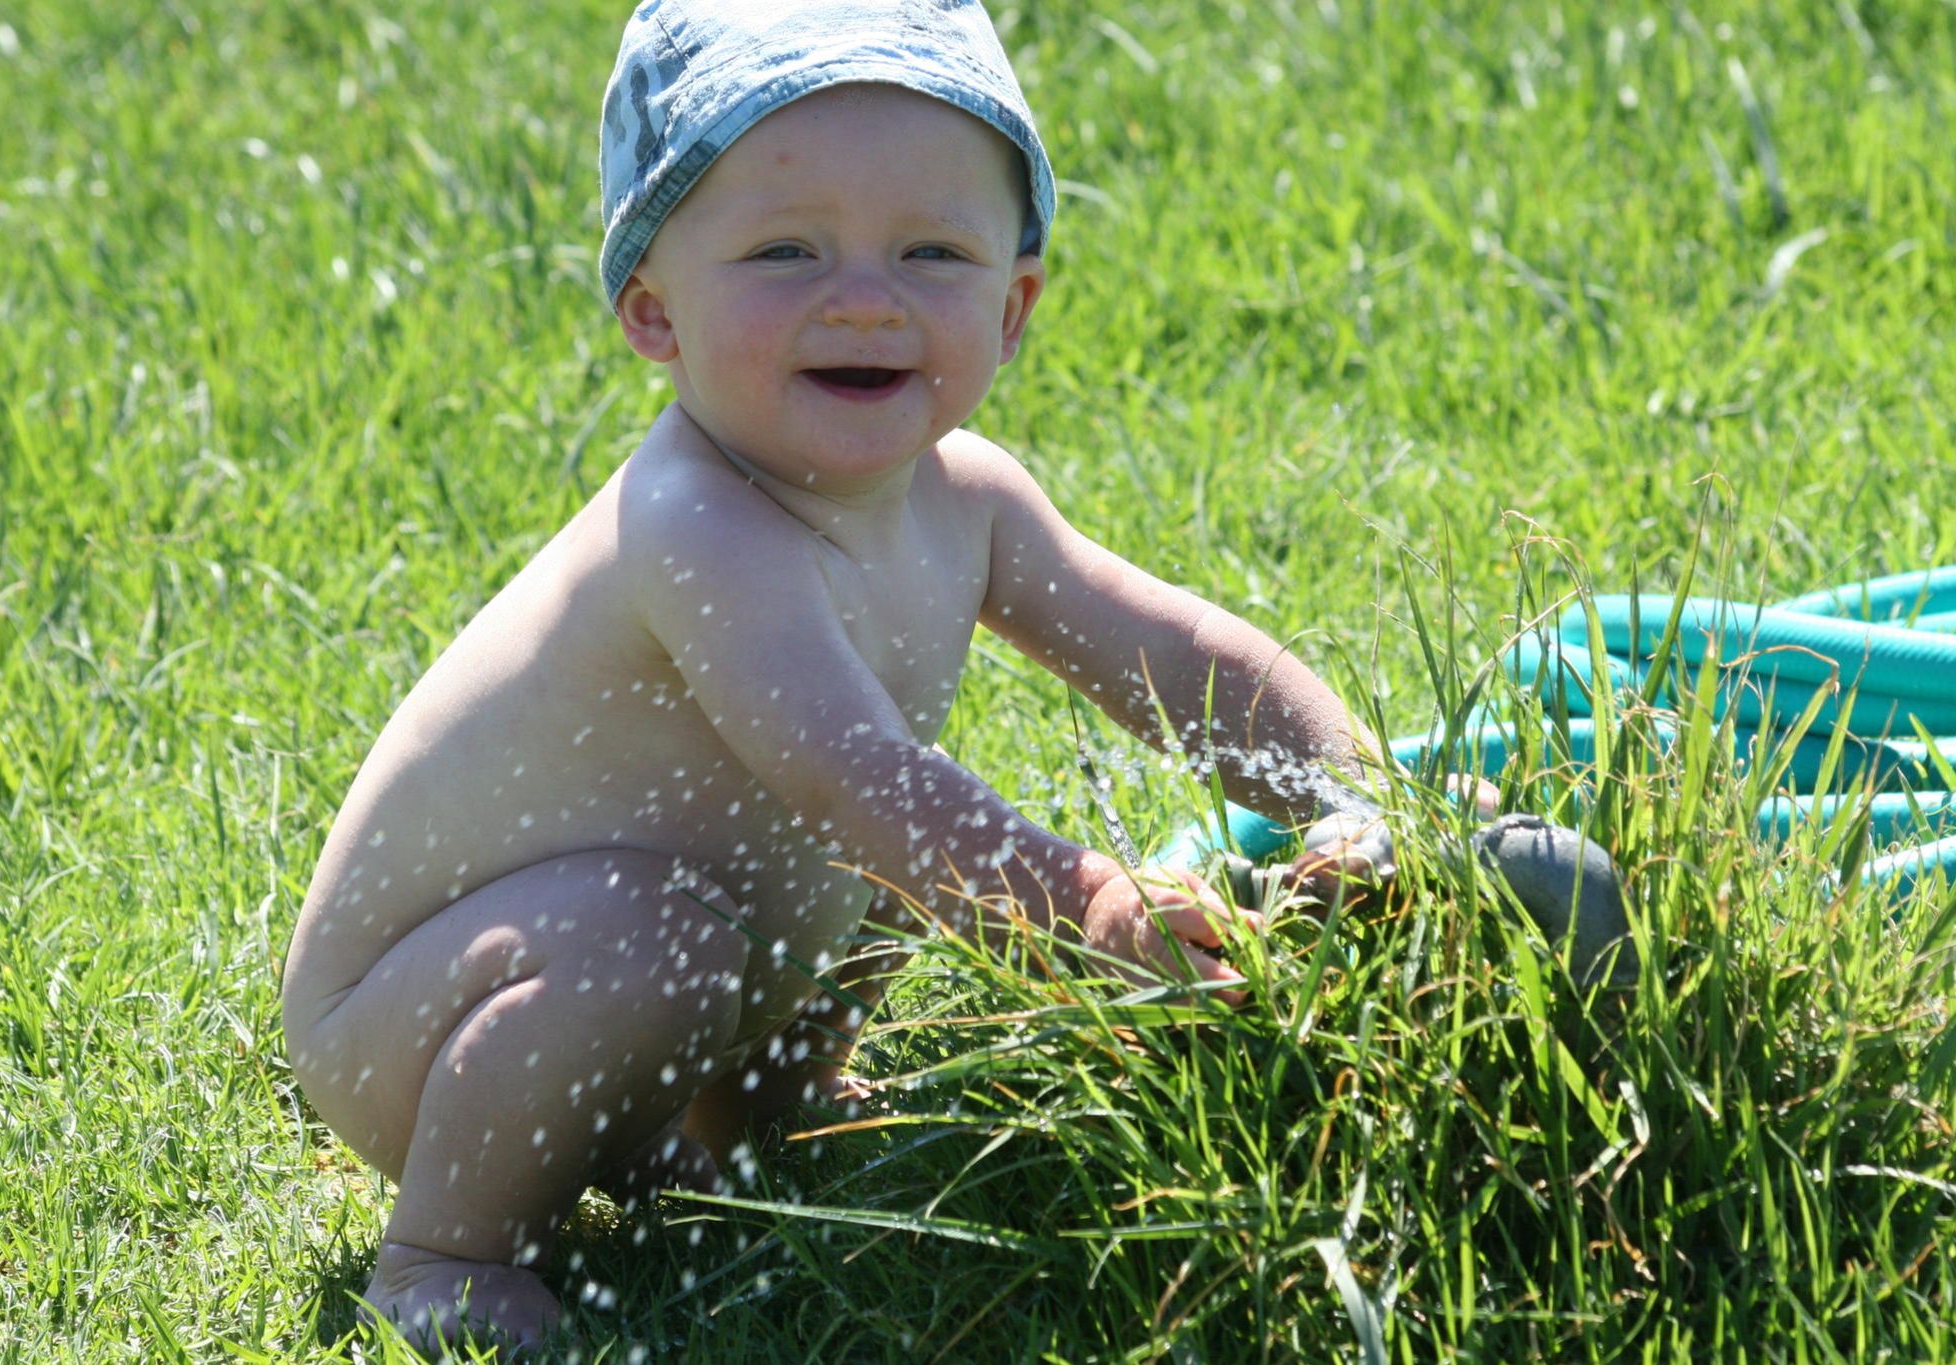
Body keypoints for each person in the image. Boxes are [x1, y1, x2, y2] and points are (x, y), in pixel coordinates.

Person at [281, 0, 1388, 1347]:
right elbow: (849, 777)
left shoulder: (966, 498)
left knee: (874, 854)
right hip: (418, 1025)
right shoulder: (697, 522)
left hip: (634, 958)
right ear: (653, 311)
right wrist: (1091, 903)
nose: (864, 298)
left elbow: (1170, 650)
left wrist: (1354, 799)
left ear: (1016, 304)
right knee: (847, 837)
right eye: (785, 250)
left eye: (931, 250)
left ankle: (764, 1116)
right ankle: (447, 1249)